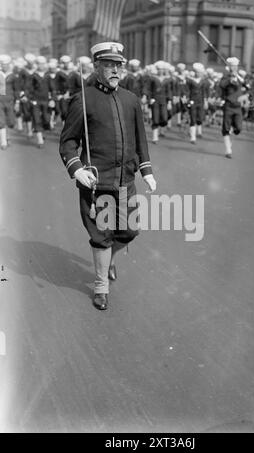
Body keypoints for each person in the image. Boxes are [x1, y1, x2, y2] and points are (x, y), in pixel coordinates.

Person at [59, 42, 157, 311]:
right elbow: (68, 142)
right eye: (108, 65)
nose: (115, 71)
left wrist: (146, 171)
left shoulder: (131, 100)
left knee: (128, 231)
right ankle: (101, 284)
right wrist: (77, 168)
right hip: (96, 182)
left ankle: (108, 260)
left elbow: (141, 141)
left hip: (125, 179)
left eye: (118, 66)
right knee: (101, 234)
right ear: (96, 67)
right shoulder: (84, 98)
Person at [219, 57, 247, 158]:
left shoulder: (241, 78)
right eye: (232, 66)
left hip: (238, 106)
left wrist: (246, 96)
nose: (234, 68)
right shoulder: (226, 77)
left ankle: (233, 128)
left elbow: (249, 88)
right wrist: (230, 79)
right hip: (228, 105)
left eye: (235, 66)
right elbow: (222, 85)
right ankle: (228, 150)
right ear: (229, 67)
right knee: (226, 128)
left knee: (238, 128)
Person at [0, 55, 15, 149]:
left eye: (6, 64)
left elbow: (17, 88)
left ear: (9, 64)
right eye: (2, 64)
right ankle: (3, 141)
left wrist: (17, 101)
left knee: (11, 121)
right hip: (0, 100)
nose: (4, 66)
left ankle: (7, 136)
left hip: (10, 100)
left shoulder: (13, 75)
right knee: (1, 121)